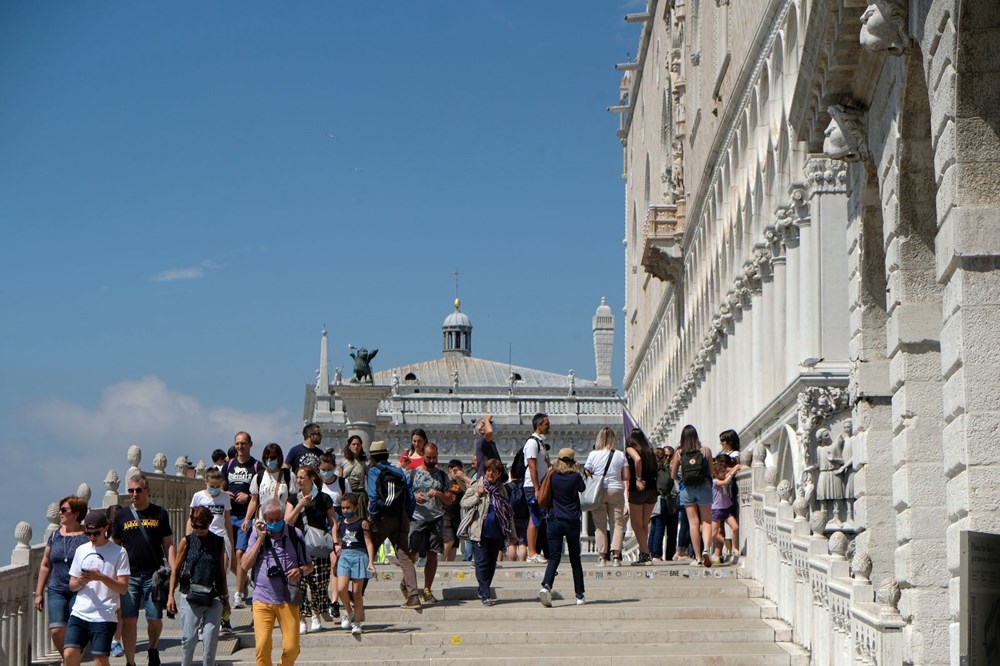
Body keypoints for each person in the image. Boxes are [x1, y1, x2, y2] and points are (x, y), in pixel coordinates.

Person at [111, 473, 175, 666]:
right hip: (129, 576)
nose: (135, 494)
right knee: (129, 620)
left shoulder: (159, 513)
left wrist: (173, 570)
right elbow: (115, 545)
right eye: (131, 490)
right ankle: (131, 662)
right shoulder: (121, 516)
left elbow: (168, 544)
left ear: (147, 491)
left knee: (154, 618)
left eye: (139, 490)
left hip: (153, 575)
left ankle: (152, 648)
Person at [241, 499, 313, 666]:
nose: (274, 523)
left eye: (277, 519)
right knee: (262, 646)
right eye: (270, 520)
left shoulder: (295, 534)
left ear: (283, 516)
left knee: (292, 648)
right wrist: (260, 539)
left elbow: (309, 565)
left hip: (288, 598)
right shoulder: (257, 534)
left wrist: (300, 571)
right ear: (264, 519)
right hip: (262, 598)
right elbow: (244, 565)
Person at [63, 510, 130, 666]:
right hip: (80, 612)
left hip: (104, 615)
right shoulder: (82, 550)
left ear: (106, 528)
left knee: (100, 660)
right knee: (69, 654)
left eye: (96, 533)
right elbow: (72, 586)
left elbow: (123, 588)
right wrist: (81, 581)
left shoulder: (119, 552)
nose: (92, 537)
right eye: (88, 533)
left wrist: (102, 577)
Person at [167, 507, 229, 666]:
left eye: (203, 527)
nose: (199, 530)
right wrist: (170, 596)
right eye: (195, 526)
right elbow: (176, 569)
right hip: (190, 594)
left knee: (210, 638)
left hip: (213, 595)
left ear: (209, 523)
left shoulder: (218, 541)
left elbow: (221, 572)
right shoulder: (186, 541)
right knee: (189, 638)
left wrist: (226, 599)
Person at [366, 440, 421, 609]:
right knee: (404, 557)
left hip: (382, 518)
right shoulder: (398, 471)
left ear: (372, 458)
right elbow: (410, 497)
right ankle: (413, 597)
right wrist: (407, 516)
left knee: (368, 554)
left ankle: (357, 595)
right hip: (400, 517)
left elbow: (374, 496)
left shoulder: (374, 471)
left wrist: (373, 515)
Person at [285, 466, 338, 634]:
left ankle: (316, 615)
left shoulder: (323, 498)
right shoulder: (293, 498)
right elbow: (288, 521)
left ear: (311, 478)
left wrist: (336, 542)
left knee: (318, 583)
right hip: (298, 546)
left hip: (319, 546)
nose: (299, 480)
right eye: (297, 477)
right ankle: (302, 618)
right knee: (299, 584)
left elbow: (333, 522)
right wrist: (300, 504)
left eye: (302, 477)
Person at [35, 495, 88, 657]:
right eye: (60, 510)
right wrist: (38, 593)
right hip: (56, 589)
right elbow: (45, 564)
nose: (60, 513)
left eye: (64, 510)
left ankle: (72, 658)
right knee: (56, 630)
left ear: (76, 514)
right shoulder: (55, 535)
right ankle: (68, 658)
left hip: (80, 590)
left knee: (77, 629)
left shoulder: (86, 537)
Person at [461, 459, 516, 605]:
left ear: (499, 474)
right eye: (488, 470)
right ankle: (485, 593)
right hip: (479, 531)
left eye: (494, 471)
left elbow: (507, 512)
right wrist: (477, 496)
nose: (490, 473)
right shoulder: (476, 486)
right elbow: (464, 503)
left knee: (491, 563)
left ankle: (483, 588)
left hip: (497, 531)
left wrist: (512, 534)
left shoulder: (502, 489)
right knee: (481, 562)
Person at [406, 442, 455, 603]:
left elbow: (450, 499)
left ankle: (427, 589)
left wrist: (439, 494)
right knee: (412, 552)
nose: (432, 460)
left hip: (436, 518)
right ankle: (409, 583)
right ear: (423, 456)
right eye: (429, 457)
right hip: (417, 518)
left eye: (434, 457)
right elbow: (404, 495)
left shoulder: (442, 476)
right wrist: (415, 497)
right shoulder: (413, 474)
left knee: (432, 553)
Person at [537, 448, 586, 607]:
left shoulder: (552, 476)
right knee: (575, 559)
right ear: (572, 462)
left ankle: (547, 586)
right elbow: (583, 489)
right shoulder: (575, 477)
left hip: (554, 519)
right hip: (571, 520)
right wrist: (577, 470)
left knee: (554, 557)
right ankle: (579, 595)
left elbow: (544, 486)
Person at [583, 427, 629, 567]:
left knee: (600, 525)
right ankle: (616, 557)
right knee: (618, 524)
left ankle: (602, 557)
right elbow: (626, 476)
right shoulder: (620, 455)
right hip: (616, 490)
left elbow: (586, 472)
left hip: (599, 491)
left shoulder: (593, 455)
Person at [671, 424, 716, 567]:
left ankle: (697, 557)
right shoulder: (705, 451)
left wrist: (682, 479)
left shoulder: (679, 453)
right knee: (707, 521)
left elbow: (673, 475)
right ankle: (706, 549)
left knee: (693, 523)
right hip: (704, 487)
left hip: (687, 489)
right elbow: (711, 473)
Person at [224, 431, 259, 609]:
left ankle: (237, 594)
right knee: (229, 558)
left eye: (243, 443)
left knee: (239, 553)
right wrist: (225, 493)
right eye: (237, 443)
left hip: (246, 517)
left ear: (250, 444)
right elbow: (219, 486)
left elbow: (259, 493)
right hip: (229, 517)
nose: (240, 447)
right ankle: (242, 579)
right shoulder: (228, 464)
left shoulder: (255, 466)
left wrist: (248, 496)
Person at [333, 493, 375, 635]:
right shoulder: (341, 523)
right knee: (341, 588)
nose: (345, 510)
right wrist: (337, 545)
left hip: (359, 556)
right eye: (343, 508)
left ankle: (357, 622)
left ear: (355, 507)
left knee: (357, 592)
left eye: (348, 507)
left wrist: (371, 561)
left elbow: (369, 543)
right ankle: (349, 611)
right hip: (345, 556)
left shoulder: (362, 523)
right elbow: (339, 539)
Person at [625, 429, 659, 565]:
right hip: (652, 489)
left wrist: (638, 478)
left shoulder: (630, 448)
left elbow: (637, 459)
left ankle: (645, 554)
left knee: (636, 524)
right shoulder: (649, 450)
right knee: (644, 524)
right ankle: (643, 553)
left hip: (638, 489)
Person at [522, 413, 551, 563]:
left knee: (537, 517)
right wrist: (537, 487)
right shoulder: (532, 443)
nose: (548, 426)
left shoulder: (539, 443)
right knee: (534, 517)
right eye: (546, 424)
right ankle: (532, 552)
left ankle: (533, 551)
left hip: (539, 484)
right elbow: (532, 467)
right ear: (538, 425)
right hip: (533, 486)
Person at [245, 443, 293, 529]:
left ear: (279, 457)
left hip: (282, 522)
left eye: (273, 457)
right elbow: (253, 500)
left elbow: (294, 500)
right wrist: (247, 519)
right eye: (266, 457)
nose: (269, 460)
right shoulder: (258, 477)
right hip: (262, 523)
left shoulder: (288, 476)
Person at [710, 454, 741, 565]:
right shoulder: (714, 481)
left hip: (726, 508)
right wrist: (733, 471)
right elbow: (725, 482)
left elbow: (727, 475)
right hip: (716, 509)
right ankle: (706, 549)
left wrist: (734, 468)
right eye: (721, 472)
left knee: (735, 527)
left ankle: (733, 547)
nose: (724, 474)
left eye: (724, 472)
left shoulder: (722, 476)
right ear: (716, 473)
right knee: (714, 533)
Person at [650, 445, 679, 562]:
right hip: (661, 500)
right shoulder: (661, 469)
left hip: (669, 501)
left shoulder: (658, 468)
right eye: (665, 456)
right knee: (658, 527)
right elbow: (667, 482)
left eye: (670, 456)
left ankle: (665, 554)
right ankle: (656, 554)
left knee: (667, 529)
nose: (667, 458)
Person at [443, 459, 470, 561]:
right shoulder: (445, 481)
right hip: (445, 513)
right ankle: (439, 562)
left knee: (454, 545)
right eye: (454, 470)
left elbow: (466, 490)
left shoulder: (460, 482)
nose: (455, 472)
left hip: (456, 515)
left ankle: (450, 565)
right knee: (449, 540)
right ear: (449, 470)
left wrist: (460, 477)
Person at [341, 435, 369, 518]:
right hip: (347, 494)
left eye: (358, 444)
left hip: (360, 495)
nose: (356, 446)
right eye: (353, 444)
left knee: (361, 519)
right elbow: (340, 480)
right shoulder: (343, 462)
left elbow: (368, 479)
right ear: (349, 446)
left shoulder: (365, 462)